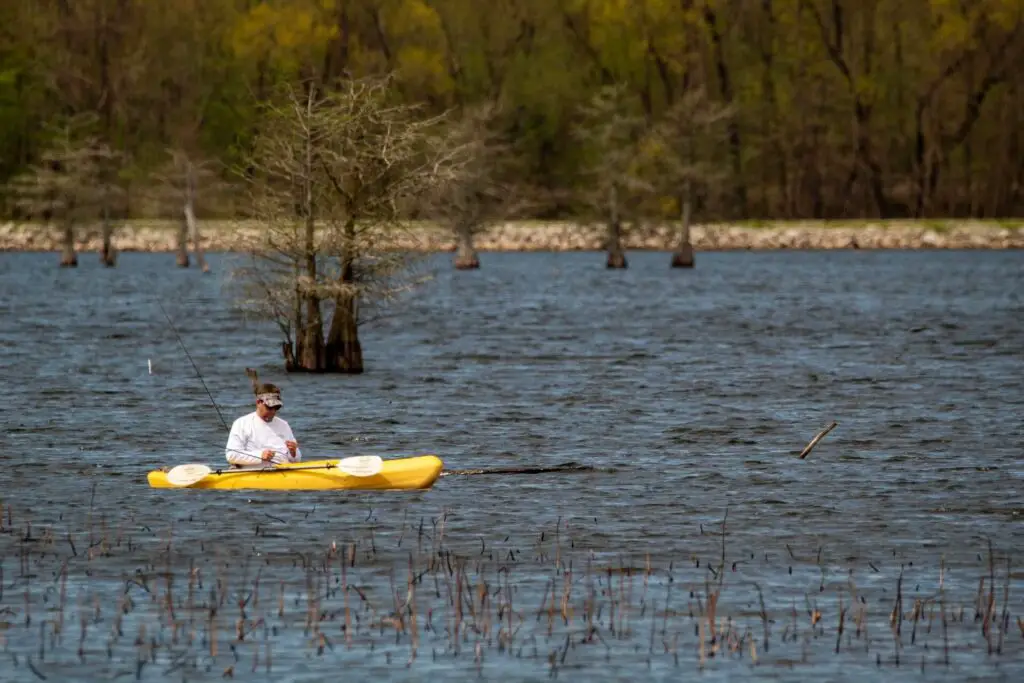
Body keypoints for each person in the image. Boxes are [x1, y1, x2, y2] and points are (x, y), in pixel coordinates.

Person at [225, 383, 303, 467]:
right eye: (269, 407)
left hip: (284, 473)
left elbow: (296, 460)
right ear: (258, 402)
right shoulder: (241, 423)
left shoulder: (284, 425)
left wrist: (293, 452)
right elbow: (231, 455)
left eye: (276, 407)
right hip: (255, 475)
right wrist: (260, 456)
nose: (273, 411)